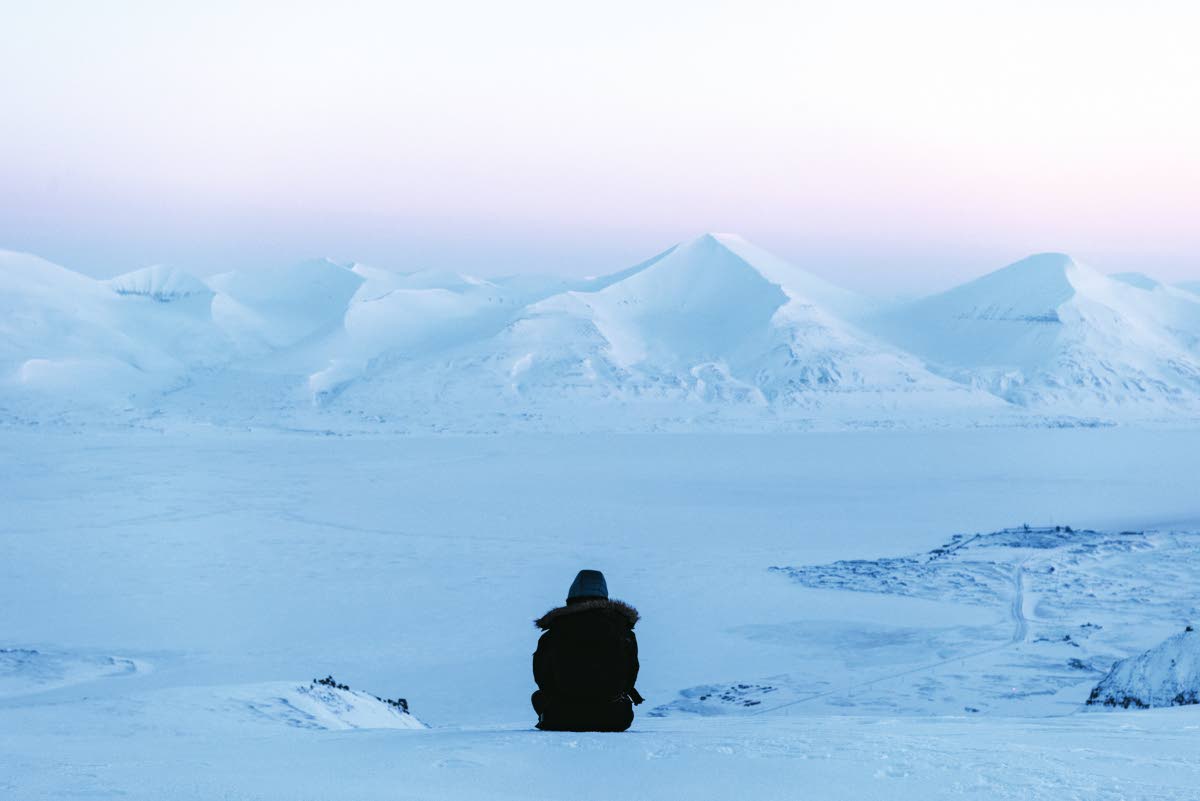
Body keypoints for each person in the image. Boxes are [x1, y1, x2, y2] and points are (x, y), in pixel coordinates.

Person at [531, 569, 643, 731]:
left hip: (560, 717)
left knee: (537, 697)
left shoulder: (554, 632)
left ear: (571, 597)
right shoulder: (623, 632)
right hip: (614, 718)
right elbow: (631, 673)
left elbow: (541, 675)